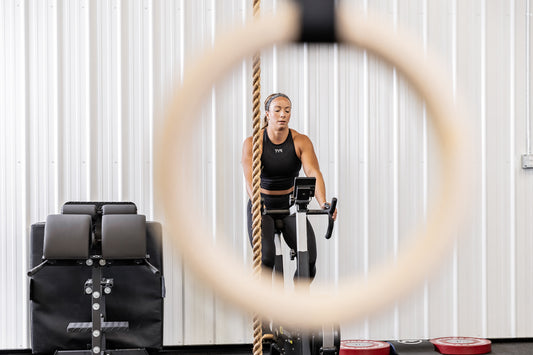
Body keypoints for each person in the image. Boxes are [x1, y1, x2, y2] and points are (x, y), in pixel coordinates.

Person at [241, 93, 337, 280]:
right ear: (267, 114)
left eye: (287, 110)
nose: (283, 114)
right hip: (263, 206)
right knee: (266, 260)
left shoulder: (301, 141)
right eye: (277, 110)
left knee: (308, 261)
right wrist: (256, 201)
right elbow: (249, 177)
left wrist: (324, 202)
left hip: (291, 207)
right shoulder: (253, 143)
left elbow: (313, 172)